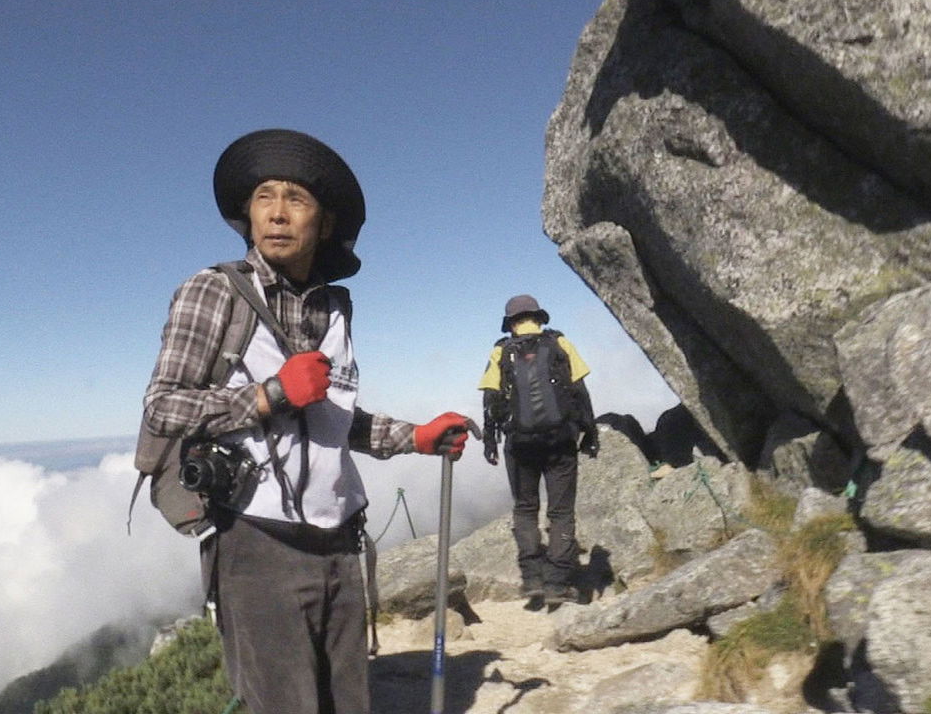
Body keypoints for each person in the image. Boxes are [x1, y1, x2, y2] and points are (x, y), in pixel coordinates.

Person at [141, 128, 472, 714]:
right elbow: (163, 406)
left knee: (349, 699)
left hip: (339, 539)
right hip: (257, 543)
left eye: (296, 199)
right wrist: (267, 396)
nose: (276, 213)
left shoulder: (334, 307)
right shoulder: (213, 292)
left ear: (324, 223)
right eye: (263, 197)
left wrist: (415, 437)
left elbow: (331, 418)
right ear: (248, 214)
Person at [478, 294, 598, 610]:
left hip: (519, 445)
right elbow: (580, 391)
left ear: (511, 323)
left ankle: (532, 579)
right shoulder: (559, 343)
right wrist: (590, 433)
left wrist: (490, 440)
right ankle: (557, 583)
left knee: (525, 508)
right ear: (538, 317)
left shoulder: (501, 351)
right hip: (561, 441)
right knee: (561, 512)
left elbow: (490, 399)